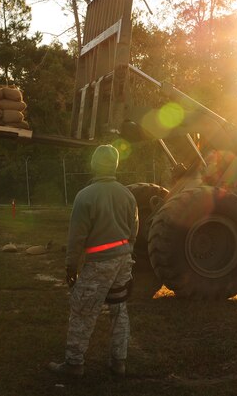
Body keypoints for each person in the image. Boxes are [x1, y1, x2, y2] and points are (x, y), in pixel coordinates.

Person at [48, 144, 138, 378]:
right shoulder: (127, 194)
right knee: (119, 310)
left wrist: (71, 266)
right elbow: (134, 229)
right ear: (115, 165)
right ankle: (119, 362)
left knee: (83, 310)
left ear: (94, 164)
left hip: (99, 263)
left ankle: (74, 364)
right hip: (123, 260)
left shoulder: (85, 196)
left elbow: (76, 237)